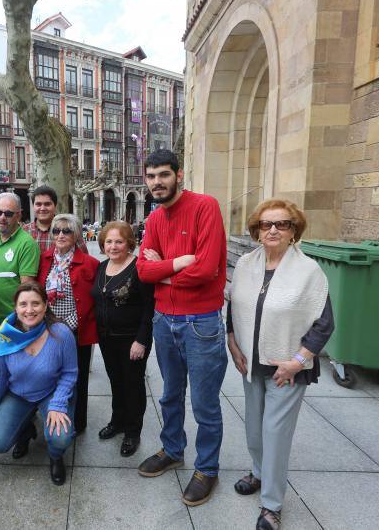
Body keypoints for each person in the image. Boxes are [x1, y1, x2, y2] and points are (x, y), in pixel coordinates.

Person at [227, 200, 334, 530]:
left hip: (286, 369)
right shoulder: (246, 263)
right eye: (265, 224)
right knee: (254, 430)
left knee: (275, 434)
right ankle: (259, 473)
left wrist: (296, 363)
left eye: (282, 224)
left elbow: (324, 324)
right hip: (250, 362)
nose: (272, 230)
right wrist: (232, 342)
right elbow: (233, 304)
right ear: (256, 231)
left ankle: (271, 505)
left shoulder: (308, 272)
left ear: (294, 231)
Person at [135, 149, 228, 507]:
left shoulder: (205, 207)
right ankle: (173, 449)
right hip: (163, 321)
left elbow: (206, 270)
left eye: (163, 175)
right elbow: (143, 271)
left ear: (179, 174)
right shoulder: (155, 218)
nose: (157, 182)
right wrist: (177, 264)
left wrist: (165, 273)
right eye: (151, 176)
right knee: (170, 394)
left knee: (205, 403)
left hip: (200, 323)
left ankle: (208, 468)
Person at [0, 282, 77, 485]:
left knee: (60, 437)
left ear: (45, 305)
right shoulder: (5, 337)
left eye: (36, 304)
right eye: (23, 304)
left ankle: (55, 456)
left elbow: (70, 373)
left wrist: (58, 403)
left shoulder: (61, 333)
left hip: (50, 392)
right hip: (18, 394)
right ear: (15, 307)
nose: (29, 310)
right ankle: (25, 430)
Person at [91, 221, 154, 457]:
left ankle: (132, 431)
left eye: (119, 241)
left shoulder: (139, 268)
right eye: (109, 241)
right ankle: (117, 421)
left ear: (129, 243)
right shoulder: (102, 267)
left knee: (133, 385)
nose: (113, 246)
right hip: (107, 338)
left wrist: (142, 340)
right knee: (116, 382)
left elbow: (150, 307)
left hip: (132, 341)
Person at [37, 214, 98, 435]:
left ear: (76, 235)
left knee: (78, 378)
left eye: (67, 231)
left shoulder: (90, 263)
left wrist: (69, 326)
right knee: (50, 375)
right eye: (56, 231)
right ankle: (52, 417)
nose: (61, 235)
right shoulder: (44, 259)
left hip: (76, 331)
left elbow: (94, 300)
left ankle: (78, 422)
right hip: (48, 331)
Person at [0, 192, 40, 369]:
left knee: (13, 368)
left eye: (8, 213)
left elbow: (26, 287)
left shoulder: (26, 243)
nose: (2, 218)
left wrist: (20, 320)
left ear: (19, 215)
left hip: (12, 320)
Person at [23, 186, 88, 254]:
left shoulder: (70, 230)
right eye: (38, 204)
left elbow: (85, 259)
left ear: (55, 206)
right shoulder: (24, 231)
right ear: (33, 206)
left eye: (47, 204)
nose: (42, 208)